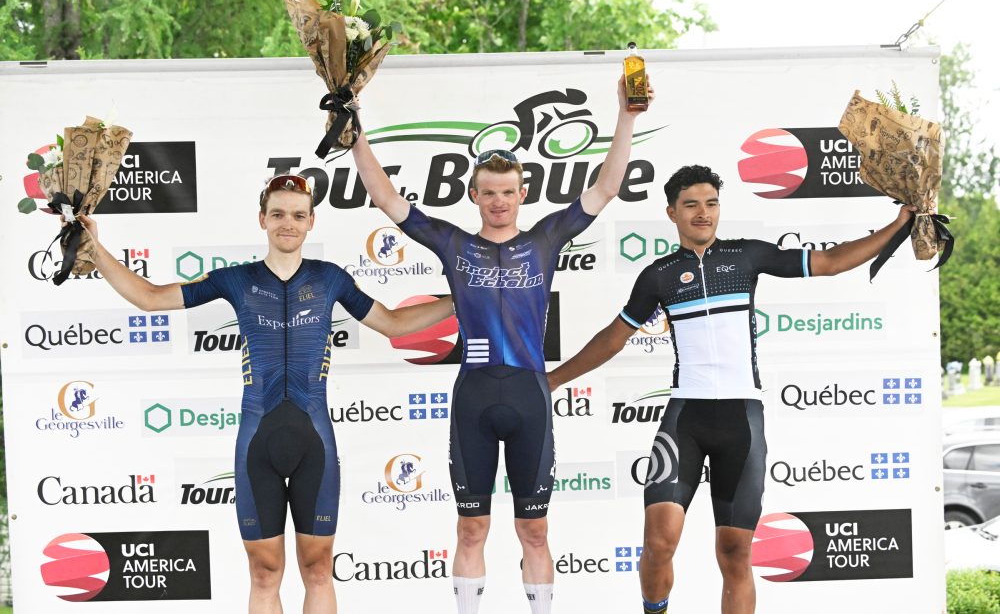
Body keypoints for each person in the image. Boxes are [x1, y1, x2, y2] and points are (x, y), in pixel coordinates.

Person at [546, 165, 917, 614]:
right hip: (686, 418)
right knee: (658, 542)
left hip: (742, 418)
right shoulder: (659, 275)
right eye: (691, 205)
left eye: (711, 203)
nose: (703, 213)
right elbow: (613, 338)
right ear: (672, 213)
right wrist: (554, 380)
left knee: (735, 552)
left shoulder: (747, 256)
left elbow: (831, 262)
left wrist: (898, 226)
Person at [77, 175, 453, 614]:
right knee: (264, 573)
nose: (287, 223)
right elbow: (149, 298)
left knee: (318, 569)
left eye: (297, 215)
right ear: (262, 220)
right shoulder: (237, 279)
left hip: (315, 443)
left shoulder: (330, 278)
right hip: (258, 442)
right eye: (278, 214)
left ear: (311, 221)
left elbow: (393, 323)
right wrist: (93, 247)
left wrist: (460, 299)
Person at [351, 76, 653, 614]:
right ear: (474, 195)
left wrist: (626, 117)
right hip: (472, 398)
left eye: (507, 192)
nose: (498, 201)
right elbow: (387, 199)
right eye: (488, 192)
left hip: (528, 397)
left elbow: (606, 188)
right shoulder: (452, 244)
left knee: (534, 532)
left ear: (522, 194)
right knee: (471, 529)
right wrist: (354, 130)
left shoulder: (544, 240)